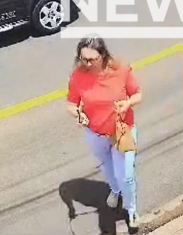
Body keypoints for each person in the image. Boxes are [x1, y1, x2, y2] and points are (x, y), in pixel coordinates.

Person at [67, 37, 143, 233]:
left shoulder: (121, 71)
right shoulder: (78, 76)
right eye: (83, 59)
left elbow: (137, 94)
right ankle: (115, 192)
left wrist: (127, 104)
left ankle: (131, 209)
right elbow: (71, 104)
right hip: (95, 133)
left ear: (103, 55)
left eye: (92, 59)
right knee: (108, 169)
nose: (88, 64)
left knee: (125, 176)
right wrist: (79, 114)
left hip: (120, 131)